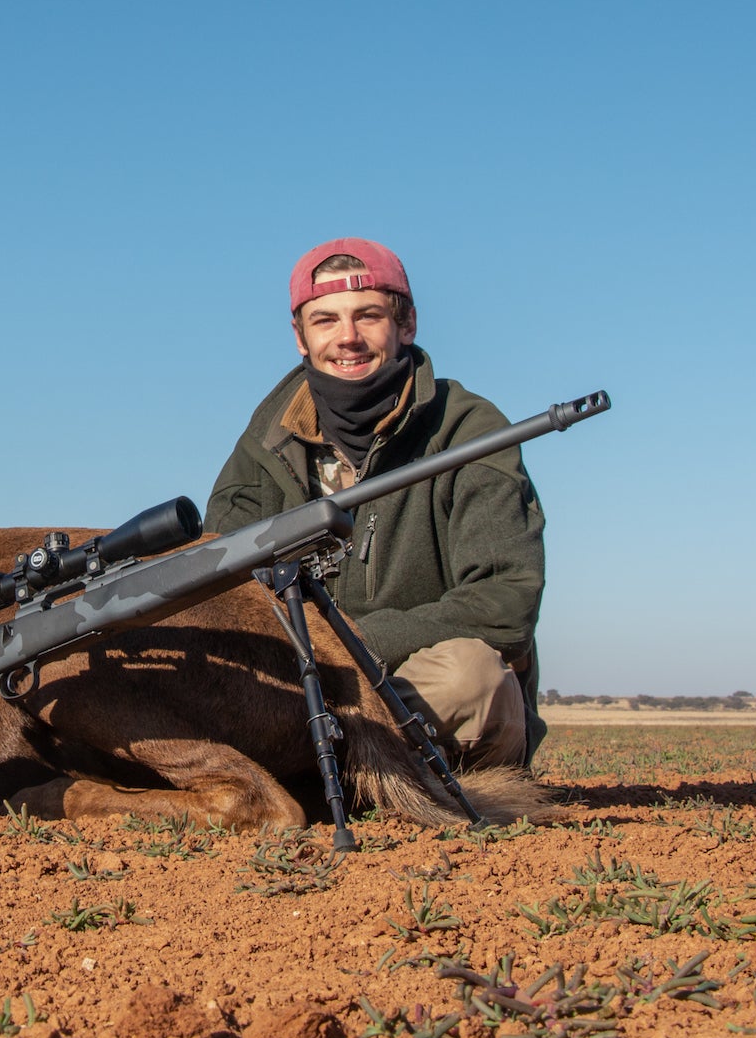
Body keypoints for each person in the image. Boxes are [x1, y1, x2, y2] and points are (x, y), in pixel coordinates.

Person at [203, 238, 546, 768]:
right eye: (325, 321)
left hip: (412, 689)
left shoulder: (471, 428)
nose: (348, 338)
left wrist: (347, 648)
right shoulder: (263, 445)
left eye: (368, 316)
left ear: (406, 325)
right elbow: (222, 592)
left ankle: (320, 773)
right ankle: (318, 771)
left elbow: (505, 602)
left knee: (470, 676)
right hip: (304, 687)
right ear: (300, 337)